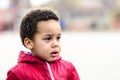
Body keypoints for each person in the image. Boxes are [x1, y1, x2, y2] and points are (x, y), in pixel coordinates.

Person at [6, 7, 80, 80]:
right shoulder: (18, 73)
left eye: (58, 38)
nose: (55, 44)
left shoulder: (68, 68)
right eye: (48, 38)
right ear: (29, 43)